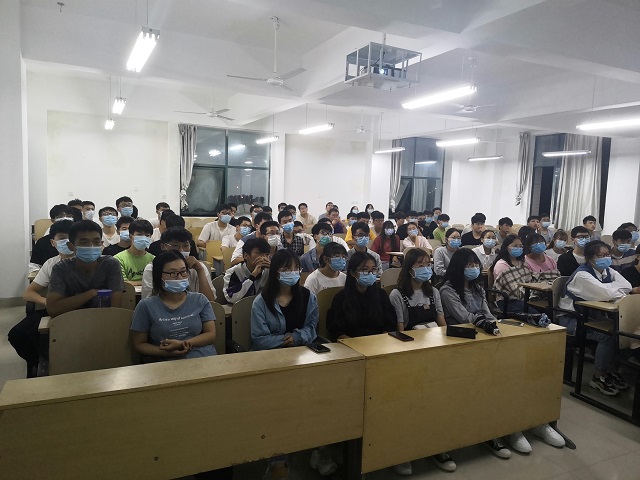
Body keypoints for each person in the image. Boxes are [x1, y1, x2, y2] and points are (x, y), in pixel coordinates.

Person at [440, 248, 562, 454]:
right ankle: (508, 428)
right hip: (464, 341)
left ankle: (536, 421)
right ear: (458, 267)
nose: (473, 269)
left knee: (520, 370)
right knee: (498, 379)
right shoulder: (447, 290)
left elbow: (488, 313)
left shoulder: (478, 288)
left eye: (475, 265)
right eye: (469, 265)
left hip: (486, 335)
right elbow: (464, 318)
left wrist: (495, 325)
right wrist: (487, 323)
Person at [558, 241, 631, 396]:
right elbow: (607, 294)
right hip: (571, 319)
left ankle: (608, 370)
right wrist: (611, 290)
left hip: (593, 317)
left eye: (607, 254)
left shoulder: (608, 271)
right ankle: (598, 376)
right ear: (590, 258)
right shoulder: (582, 275)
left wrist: (609, 291)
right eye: (600, 255)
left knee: (621, 329)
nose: (606, 258)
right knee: (607, 335)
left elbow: (628, 286)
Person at [9, 220, 75, 377]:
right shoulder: (51, 263)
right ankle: (40, 364)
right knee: (18, 334)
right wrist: (46, 302)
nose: (67, 242)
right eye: (62, 238)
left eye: (71, 238)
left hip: (80, 309)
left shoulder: (86, 261)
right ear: (53, 243)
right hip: (54, 310)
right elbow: (29, 293)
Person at [132, 251, 217, 360]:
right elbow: (140, 344)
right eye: (173, 273)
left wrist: (183, 344)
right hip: (165, 362)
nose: (180, 277)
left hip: (202, 358)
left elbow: (210, 334)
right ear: (158, 276)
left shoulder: (200, 299)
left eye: (183, 271)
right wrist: (168, 353)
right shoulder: (146, 306)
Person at [46, 220, 124, 317]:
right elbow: (53, 309)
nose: (91, 246)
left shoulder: (110, 264)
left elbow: (115, 308)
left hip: (103, 320)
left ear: (101, 244)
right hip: (70, 321)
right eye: (84, 242)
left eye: (96, 242)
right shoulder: (61, 268)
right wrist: (91, 293)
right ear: (71, 246)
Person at [251, 249, 319, 350]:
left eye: (296, 268)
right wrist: (287, 340)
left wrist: (297, 337)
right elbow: (260, 340)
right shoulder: (261, 302)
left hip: (302, 352)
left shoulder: (308, 296)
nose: (293, 272)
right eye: (286, 269)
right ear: (275, 272)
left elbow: (312, 327)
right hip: (270, 354)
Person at [327, 251, 396, 340]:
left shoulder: (381, 295)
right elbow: (336, 330)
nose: (370, 273)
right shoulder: (341, 298)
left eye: (373, 269)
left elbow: (390, 324)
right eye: (365, 269)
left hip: (378, 342)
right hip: (351, 343)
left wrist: (382, 339)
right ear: (353, 272)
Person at [141, 227, 215, 301]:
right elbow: (148, 303)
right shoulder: (152, 268)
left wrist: (200, 270)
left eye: (185, 246)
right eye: (175, 246)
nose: (181, 250)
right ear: (163, 246)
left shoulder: (198, 267)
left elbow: (210, 302)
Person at [390, 248, 446, 330]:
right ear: (409, 269)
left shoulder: (433, 291)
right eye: (421, 265)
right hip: (410, 336)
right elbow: (400, 328)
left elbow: (441, 320)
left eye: (428, 265)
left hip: (433, 335)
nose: (426, 269)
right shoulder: (397, 295)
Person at [491, 234, 538, 314]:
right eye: (515, 246)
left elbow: (530, 280)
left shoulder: (522, 263)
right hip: (508, 300)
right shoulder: (501, 265)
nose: (518, 248)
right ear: (506, 247)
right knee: (535, 313)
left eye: (520, 246)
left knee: (544, 308)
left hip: (524, 297)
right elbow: (514, 289)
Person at [223, 237, 271, 303]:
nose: (264, 258)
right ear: (246, 255)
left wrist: (274, 272)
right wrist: (253, 276)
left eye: (267, 254)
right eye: (259, 253)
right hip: (240, 308)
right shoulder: (234, 272)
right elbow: (231, 297)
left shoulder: (269, 271)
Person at [29, 205, 75, 271]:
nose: (65, 218)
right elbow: (34, 266)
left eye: (69, 216)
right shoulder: (42, 243)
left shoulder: (79, 242)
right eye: (60, 216)